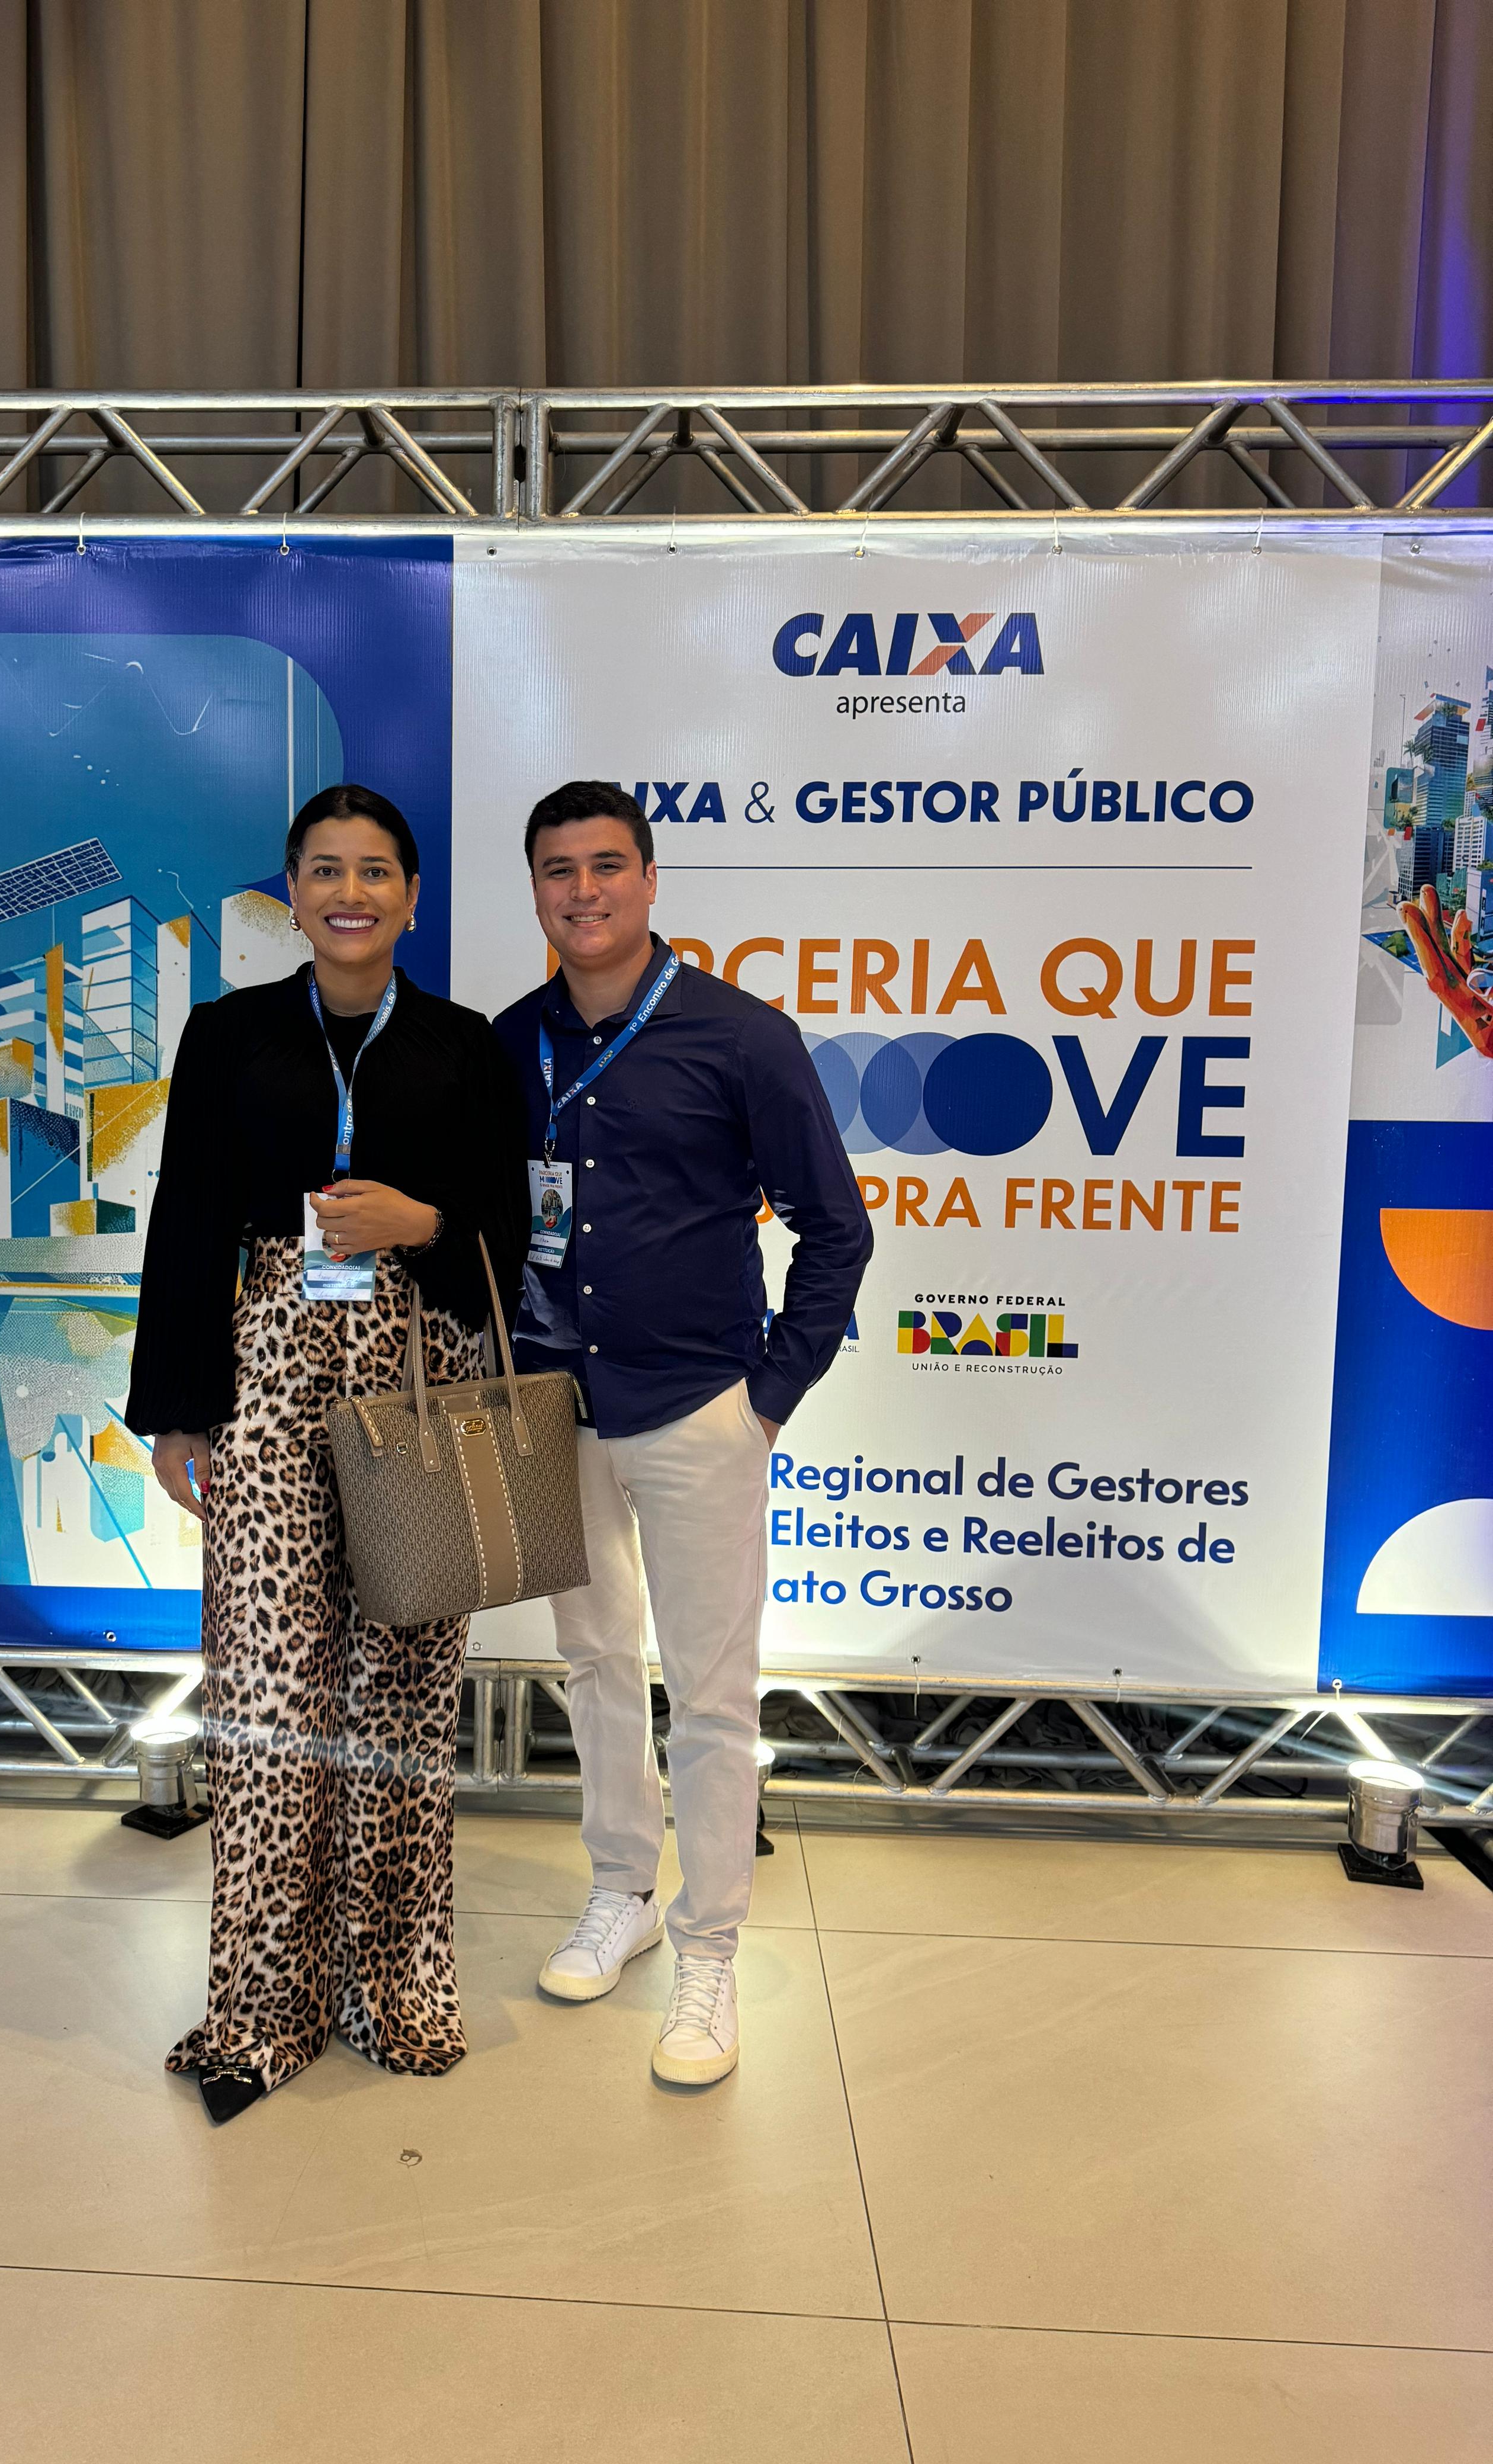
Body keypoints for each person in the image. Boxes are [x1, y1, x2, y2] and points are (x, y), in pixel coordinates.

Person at [127, 782, 528, 2124]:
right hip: (268, 1370)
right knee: (266, 1690)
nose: (350, 893)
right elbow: (188, 1217)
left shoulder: (466, 1044)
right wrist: (179, 1410)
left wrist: (422, 1219)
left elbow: (509, 1225)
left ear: (412, 896)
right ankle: (262, 2006)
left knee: (404, 1685)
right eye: (324, 870)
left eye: (375, 871)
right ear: (292, 894)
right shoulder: (231, 1033)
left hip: (421, 1368)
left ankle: (392, 1991)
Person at [495, 781, 871, 2086]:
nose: (584, 891)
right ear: (535, 891)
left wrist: (769, 1394)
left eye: (607, 866)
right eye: (559, 871)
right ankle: (624, 1893)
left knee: (712, 1692)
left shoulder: (741, 1035)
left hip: (700, 1405)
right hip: (556, 1404)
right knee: (594, 1659)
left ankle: (710, 1947)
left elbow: (836, 1229)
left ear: (651, 880)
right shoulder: (512, 1043)